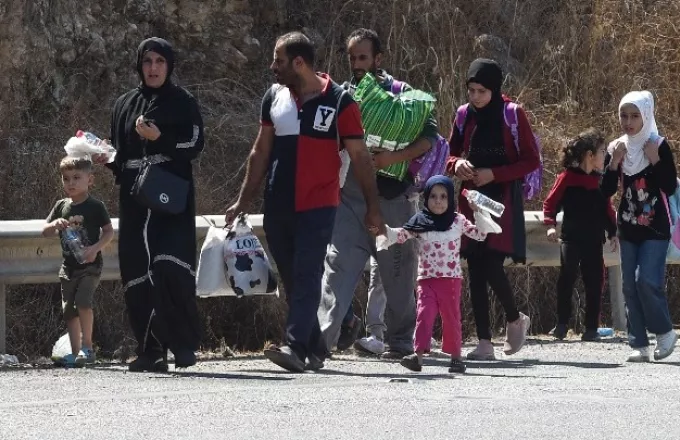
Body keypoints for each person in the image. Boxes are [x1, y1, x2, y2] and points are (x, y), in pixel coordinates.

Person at [225, 31, 384, 373]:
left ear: (299, 63)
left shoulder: (340, 101)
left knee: (306, 271)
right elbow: (261, 150)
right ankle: (334, 330)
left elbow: (361, 158)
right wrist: (243, 200)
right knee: (294, 278)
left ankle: (295, 346)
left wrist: (373, 206)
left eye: (279, 61)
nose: (273, 67)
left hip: (320, 202)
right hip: (278, 202)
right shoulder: (273, 97)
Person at [319, 28, 439, 359]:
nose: (357, 64)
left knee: (398, 275)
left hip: (393, 201)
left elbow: (431, 136)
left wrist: (391, 159)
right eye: (352, 57)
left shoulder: (402, 97)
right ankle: (318, 342)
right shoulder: (342, 95)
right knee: (337, 268)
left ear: (378, 59)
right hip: (352, 197)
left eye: (363, 57)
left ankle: (401, 341)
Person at [101, 37, 204, 372]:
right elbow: (119, 155)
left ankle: (183, 344)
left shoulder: (182, 101)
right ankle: (150, 350)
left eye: (160, 61)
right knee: (137, 271)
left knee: (169, 267)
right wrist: (103, 155)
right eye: (147, 62)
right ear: (139, 65)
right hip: (134, 198)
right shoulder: (124, 104)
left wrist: (161, 138)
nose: (153, 68)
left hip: (169, 197)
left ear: (169, 65)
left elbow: (195, 142)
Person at [448, 58, 539, 360]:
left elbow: (530, 160)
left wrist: (494, 174)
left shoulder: (512, 114)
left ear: (495, 89)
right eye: (471, 90)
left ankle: (514, 318)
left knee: (491, 263)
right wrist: (457, 164)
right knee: (474, 266)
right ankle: (485, 342)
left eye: (481, 91)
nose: (475, 97)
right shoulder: (464, 115)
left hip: (500, 199)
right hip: (471, 198)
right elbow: (449, 153)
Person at [371, 176, 496, 373]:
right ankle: (417, 357)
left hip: (451, 281)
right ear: (426, 198)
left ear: (450, 199)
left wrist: (477, 211)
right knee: (423, 317)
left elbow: (480, 235)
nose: (438, 201)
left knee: (452, 319)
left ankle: (456, 358)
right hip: (426, 281)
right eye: (433, 196)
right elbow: (401, 235)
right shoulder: (420, 221)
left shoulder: (458, 221)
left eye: (443, 196)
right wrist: (382, 232)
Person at [601, 91, 678, 362]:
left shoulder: (658, 144)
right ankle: (640, 344)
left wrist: (655, 159)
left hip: (656, 226)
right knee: (628, 286)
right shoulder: (616, 147)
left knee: (645, 280)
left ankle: (666, 333)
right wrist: (614, 163)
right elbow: (606, 191)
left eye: (635, 116)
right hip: (628, 225)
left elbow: (669, 186)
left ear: (646, 116)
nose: (628, 122)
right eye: (624, 115)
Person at [542, 129, 617, 341]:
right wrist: (550, 224)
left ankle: (591, 327)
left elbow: (607, 210)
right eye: (603, 151)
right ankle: (562, 324)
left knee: (595, 281)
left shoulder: (601, 181)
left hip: (594, 240)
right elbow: (550, 203)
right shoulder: (567, 178)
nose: (605, 156)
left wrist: (613, 232)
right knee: (566, 278)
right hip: (571, 238)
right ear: (590, 155)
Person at [43, 157, 114, 367]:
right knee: (69, 310)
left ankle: (88, 347)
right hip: (69, 268)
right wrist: (55, 224)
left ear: (89, 180)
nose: (70, 183)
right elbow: (44, 231)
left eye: (76, 178)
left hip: (90, 266)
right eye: (66, 179)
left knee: (83, 302)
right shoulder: (61, 206)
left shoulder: (95, 206)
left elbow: (109, 232)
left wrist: (95, 249)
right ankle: (76, 354)